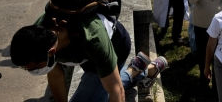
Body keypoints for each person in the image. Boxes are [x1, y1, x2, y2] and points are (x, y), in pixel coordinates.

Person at [10, 17, 167, 101]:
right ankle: (137, 68)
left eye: (33, 68)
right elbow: (55, 73)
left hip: (115, 46)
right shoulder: (41, 32)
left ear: (52, 52)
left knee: (105, 89)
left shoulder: (94, 41)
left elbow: (117, 92)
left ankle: (138, 70)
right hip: (83, 55)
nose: (31, 71)